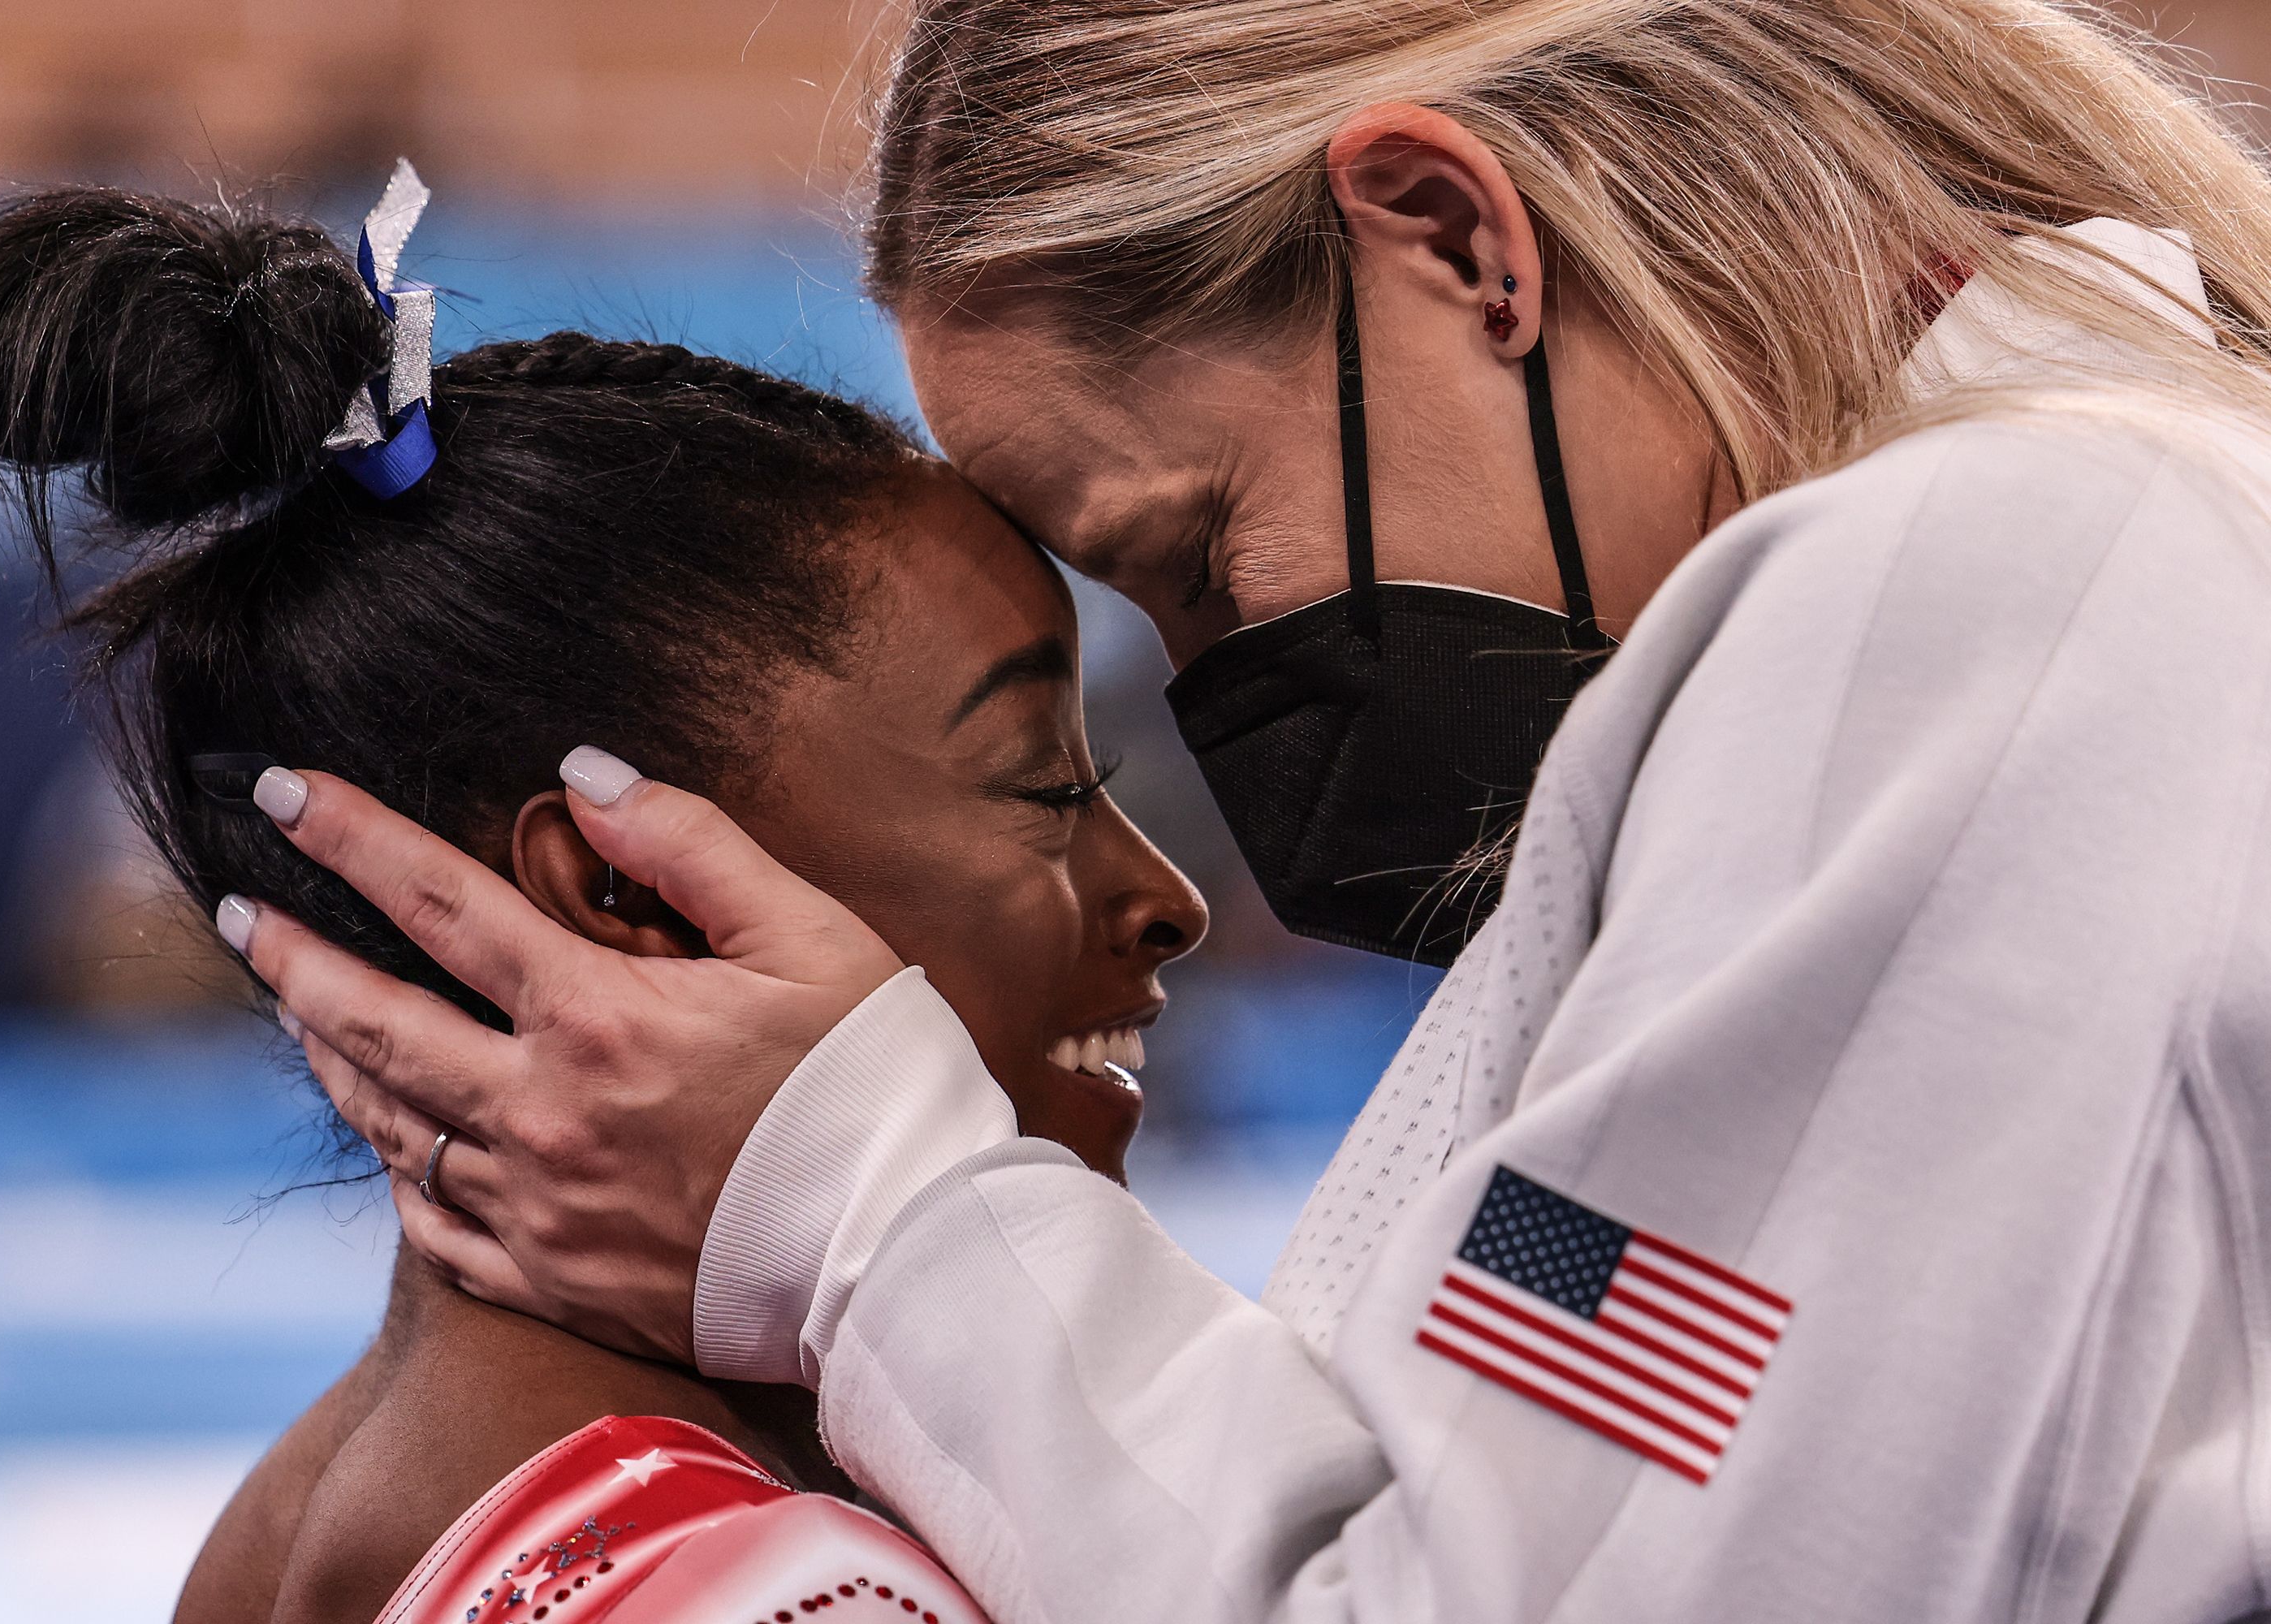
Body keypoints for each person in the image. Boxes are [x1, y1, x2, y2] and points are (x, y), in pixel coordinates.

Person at [203, 1, 2271, 1618]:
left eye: (1197, 549)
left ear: (1460, 245)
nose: (1191, 858)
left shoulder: (1985, 579)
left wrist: (859, 1200)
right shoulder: (2006, 596)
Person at [0, 176, 1204, 1622]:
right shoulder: (775, 1592)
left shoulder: (308, 1510)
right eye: (1042, 788)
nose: (1166, 895)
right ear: (625, 890)